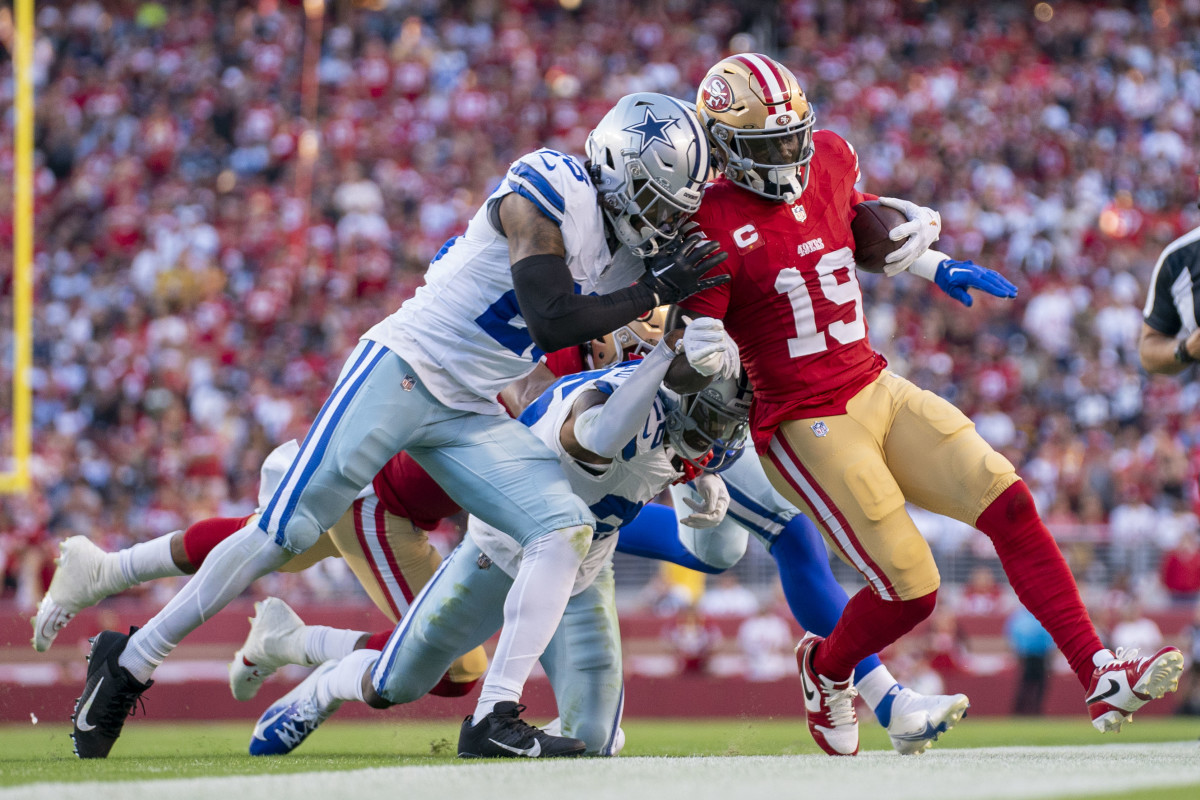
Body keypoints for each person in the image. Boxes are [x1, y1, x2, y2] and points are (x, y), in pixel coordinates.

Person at [69, 91, 728, 759]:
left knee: (564, 529)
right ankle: (130, 659)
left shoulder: (633, 250)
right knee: (283, 531)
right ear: (616, 166)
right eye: (657, 201)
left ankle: (495, 716)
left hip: (469, 410)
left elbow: (697, 295)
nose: (666, 222)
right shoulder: (551, 184)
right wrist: (652, 290)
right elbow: (552, 319)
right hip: (406, 368)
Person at [678, 52, 1184, 756]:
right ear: (729, 147)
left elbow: (854, 226)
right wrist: (695, 441)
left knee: (1009, 501)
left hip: (875, 383)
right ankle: (824, 672)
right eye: (773, 145)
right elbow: (696, 348)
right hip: (801, 418)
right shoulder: (706, 221)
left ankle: (1098, 671)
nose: (792, 153)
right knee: (913, 590)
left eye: (796, 135)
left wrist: (935, 264)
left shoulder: (828, 157)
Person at [246, 327, 739, 757]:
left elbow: (652, 449)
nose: (719, 435)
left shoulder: (665, 417)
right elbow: (595, 436)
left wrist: (691, 475)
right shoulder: (601, 402)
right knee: (396, 684)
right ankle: (317, 673)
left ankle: (516, 740)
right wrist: (661, 373)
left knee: (594, 740)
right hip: (500, 555)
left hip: (584, 572)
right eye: (715, 419)